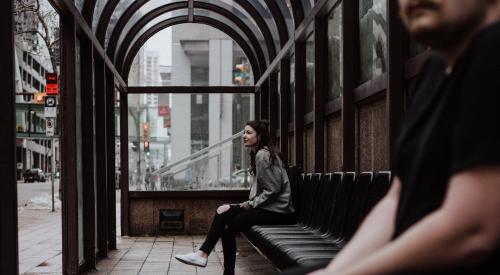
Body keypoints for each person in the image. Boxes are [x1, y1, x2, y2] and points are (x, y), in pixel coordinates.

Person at [283, 0, 500, 274]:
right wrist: (336, 270)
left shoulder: (492, 54)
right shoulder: (436, 69)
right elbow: (396, 200)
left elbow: (472, 229)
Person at [175, 120, 296, 275]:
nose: (244, 136)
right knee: (223, 212)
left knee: (227, 222)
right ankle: (204, 256)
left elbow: (272, 191)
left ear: (259, 137)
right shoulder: (260, 154)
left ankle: (206, 257)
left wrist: (246, 205)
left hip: (279, 212)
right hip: (270, 208)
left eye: (249, 133)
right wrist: (245, 204)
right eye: (244, 132)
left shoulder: (262, 155)